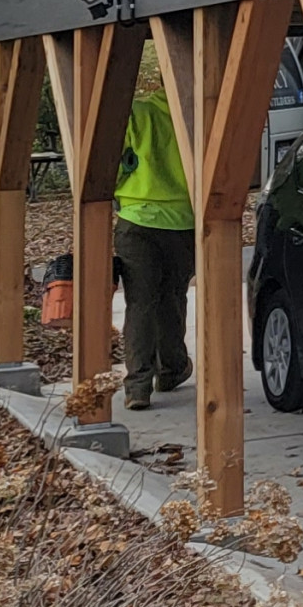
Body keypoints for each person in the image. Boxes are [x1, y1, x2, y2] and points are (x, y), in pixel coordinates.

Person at [115, 90, 195, 410]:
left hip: (136, 221)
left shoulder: (138, 113)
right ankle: (172, 368)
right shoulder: (196, 117)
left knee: (140, 303)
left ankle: (137, 387)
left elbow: (115, 159)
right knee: (172, 298)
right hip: (183, 222)